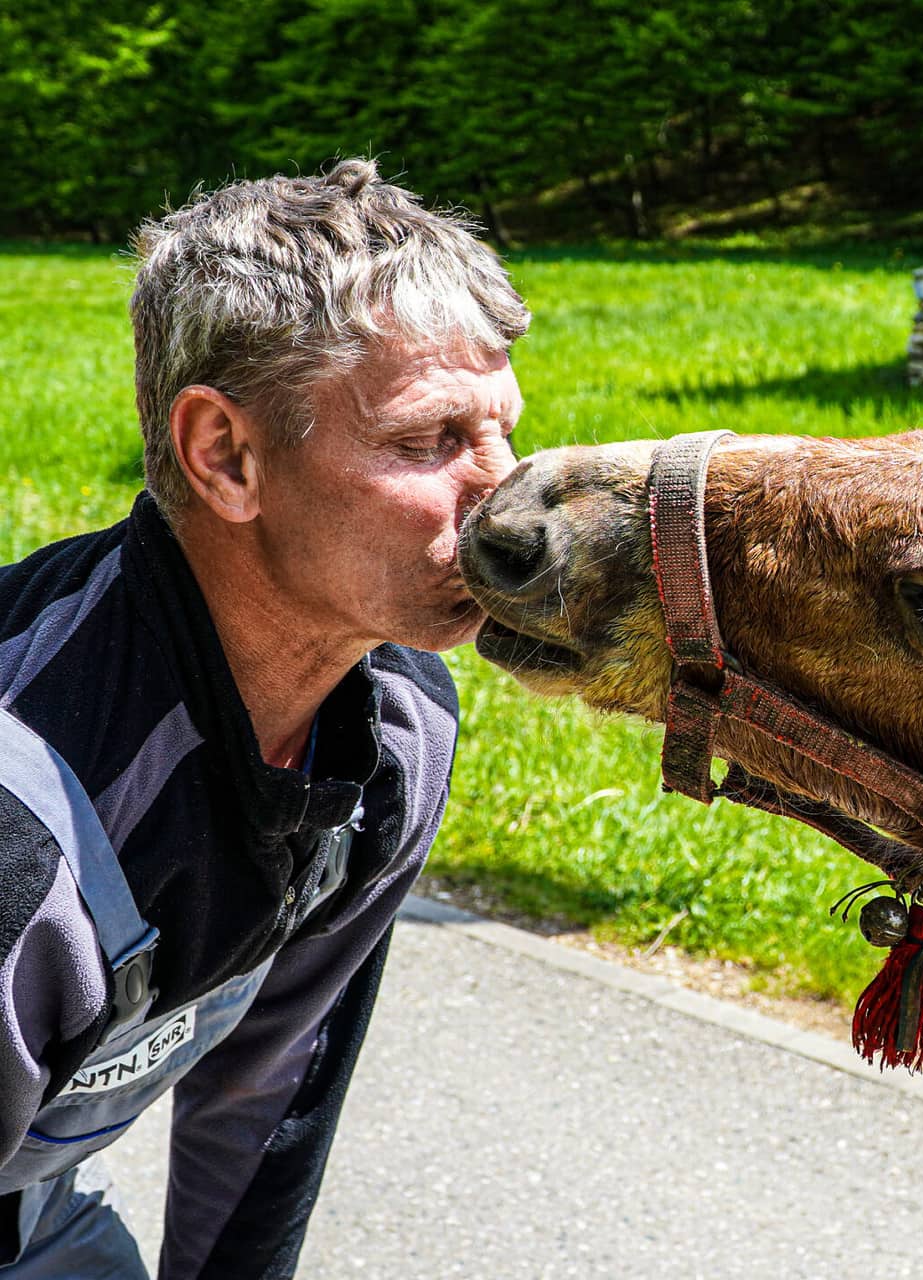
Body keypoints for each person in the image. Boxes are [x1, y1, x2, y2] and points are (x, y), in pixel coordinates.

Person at [0, 159, 529, 1277]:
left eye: (503, 430)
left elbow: (272, 1080)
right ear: (226, 456)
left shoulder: (398, 725)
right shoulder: (24, 817)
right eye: (429, 439)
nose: (504, 489)